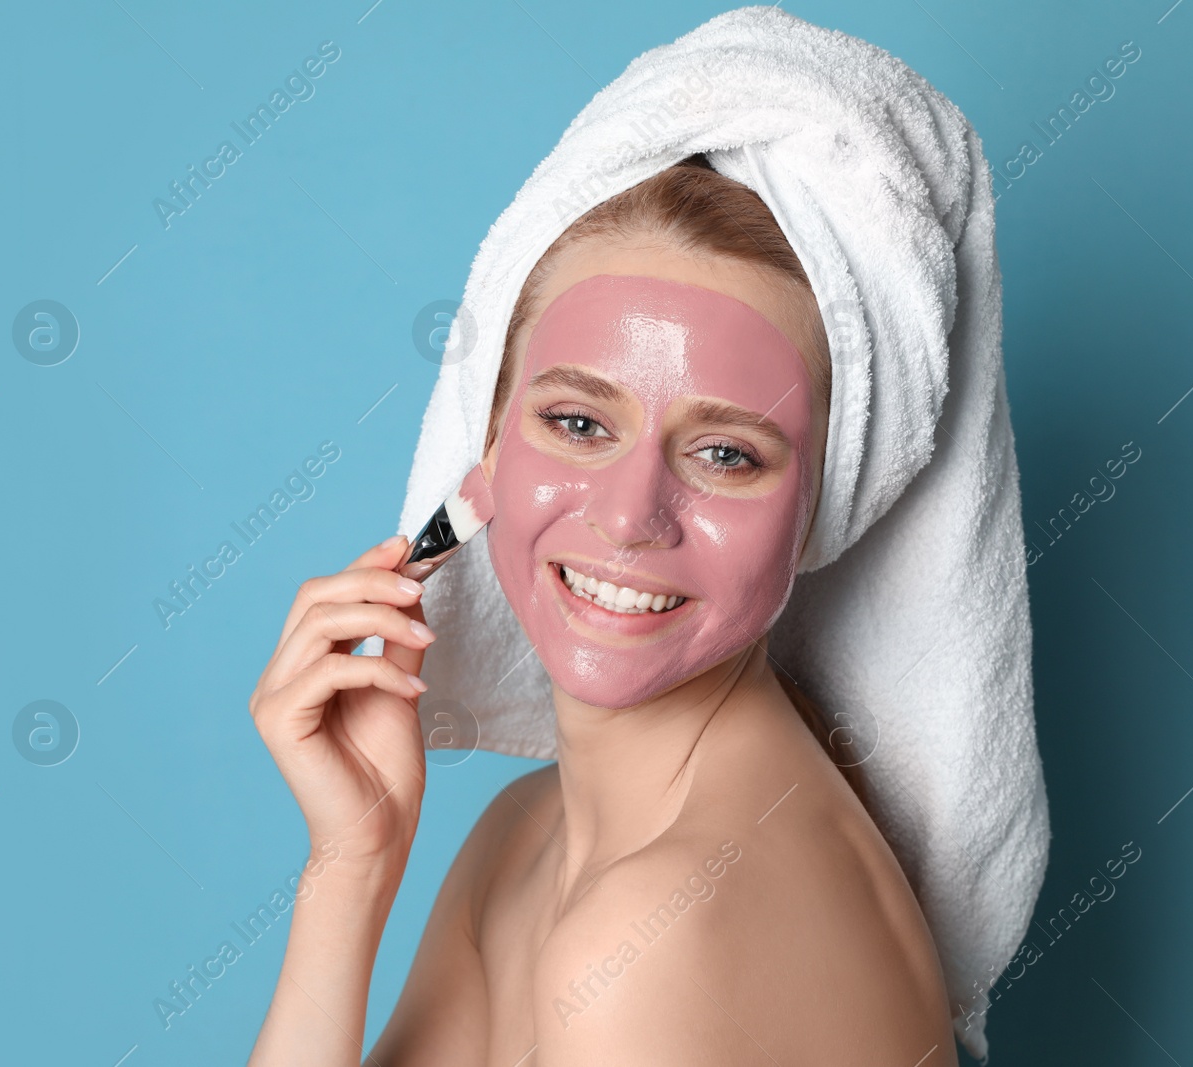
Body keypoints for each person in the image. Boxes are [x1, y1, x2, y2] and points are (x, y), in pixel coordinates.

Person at [245, 158, 957, 1066]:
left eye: (726, 454)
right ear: (488, 443)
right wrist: (351, 862)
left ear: (820, 504)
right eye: (580, 423)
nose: (628, 516)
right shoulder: (524, 835)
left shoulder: (653, 936)